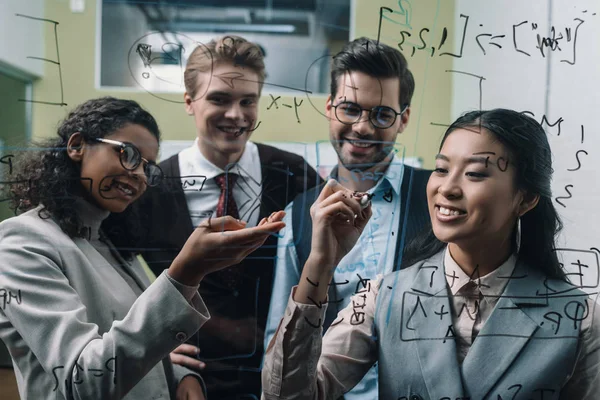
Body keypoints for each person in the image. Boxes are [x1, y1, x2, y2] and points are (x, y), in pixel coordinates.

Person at [262, 109, 600, 399]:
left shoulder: (581, 319)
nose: (448, 188)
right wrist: (320, 264)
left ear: (525, 198)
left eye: (475, 174)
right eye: (441, 168)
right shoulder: (384, 296)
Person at [0, 97, 285, 400]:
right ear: (77, 145)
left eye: (148, 168)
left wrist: (179, 374)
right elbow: (85, 380)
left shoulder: (108, 242)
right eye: (128, 154)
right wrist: (185, 274)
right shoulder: (23, 243)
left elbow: (125, 334)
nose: (138, 174)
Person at [104, 35, 320, 399]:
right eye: (219, 99)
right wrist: (153, 351)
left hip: (283, 377)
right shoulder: (149, 188)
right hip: (187, 381)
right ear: (189, 102)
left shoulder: (294, 175)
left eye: (247, 101)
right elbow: (107, 281)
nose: (236, 114)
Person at [264, 37, 431, 400]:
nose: (362, 127)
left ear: (404, 119)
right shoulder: (299, 216)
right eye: (350, 109)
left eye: (382, 114)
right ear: (329, 107)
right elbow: (278, 347)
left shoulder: (438, 197)